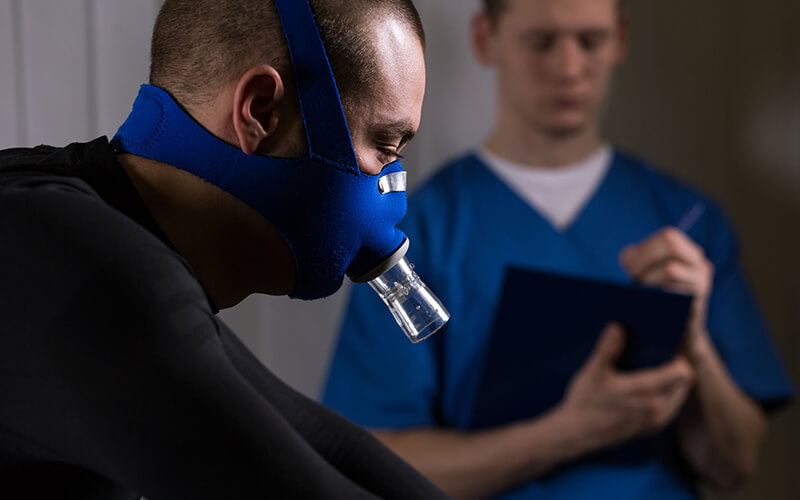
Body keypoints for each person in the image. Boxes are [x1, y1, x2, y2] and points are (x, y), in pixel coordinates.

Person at [323, 0, 794, 499]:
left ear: (621, 39)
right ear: (486, 38)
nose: (569, 68)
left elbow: (734, 463)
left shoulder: (689, 220)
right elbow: (375, 464)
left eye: (590, 41)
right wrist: (569, 431)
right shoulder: (417, 231)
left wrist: (694, 341)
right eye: (541, 42)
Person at [0, 0, 450, 499]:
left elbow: (323, 443)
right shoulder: (82, 266)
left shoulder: (89, 218)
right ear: (260, 112)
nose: (394, 190)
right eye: (385, 149)